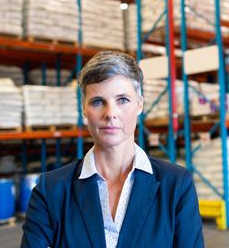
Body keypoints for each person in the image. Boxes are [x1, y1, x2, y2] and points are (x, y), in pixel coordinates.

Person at [21, 51, 205, 248]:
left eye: (123, 100)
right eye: (98, 101)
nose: (110, 113)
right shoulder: (50, 190)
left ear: (140, 105)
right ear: (84, 108)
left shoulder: (176, 186)